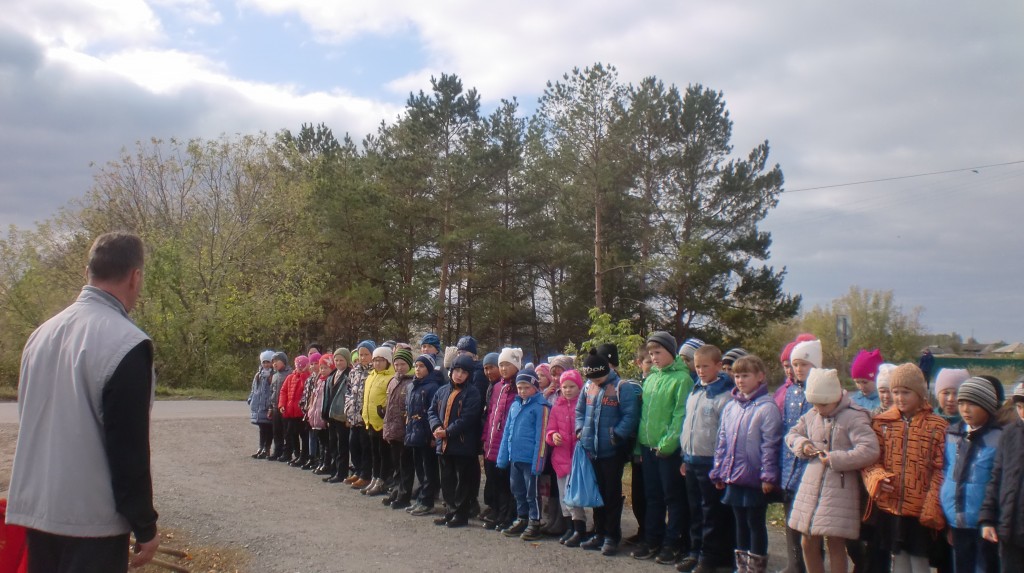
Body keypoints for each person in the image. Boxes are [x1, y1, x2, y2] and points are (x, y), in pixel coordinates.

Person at [7, 231, 160, 571]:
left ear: (87, 271)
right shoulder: (127, 343)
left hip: (38, 512)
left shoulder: (41, 335)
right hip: (91, 522)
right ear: (135, 277)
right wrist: (145, 524)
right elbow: (128, 447)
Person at [786, 368, 880, 573]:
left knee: (836, 542)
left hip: (840, 486)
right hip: (812, 485)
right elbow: (792, 434)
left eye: (823, 404)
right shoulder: (812, 415)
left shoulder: (854, 416)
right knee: (807, 540)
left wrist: (836, 458)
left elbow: (870, 450)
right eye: (815, 404)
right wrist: (803, 444)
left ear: (835, 398)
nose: (818, 409)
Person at [861, 363, 947, 573]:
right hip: (891, 506)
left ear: (920, 393)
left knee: (919, 561)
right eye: (896, 392)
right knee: (897, 558)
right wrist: (877, 478)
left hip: (921, 509)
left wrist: (932, 504)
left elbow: (941, 468)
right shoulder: (882, 423)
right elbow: (871, 460)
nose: (899, 398)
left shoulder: (937, 426)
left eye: (906, 392)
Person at [710, 354, 782, 573]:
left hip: (754, 477)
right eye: (737, 376)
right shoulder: (731, 407)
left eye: (746, 375)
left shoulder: (767, 407)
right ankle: (741, 566)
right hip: (734, 475)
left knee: (755, 523)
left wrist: (768, 476)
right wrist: (719, 471)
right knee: (739, 522)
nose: (740, 380)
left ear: (760, 376)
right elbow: (722, 441)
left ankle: (756, 567)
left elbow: (771, 445)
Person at [633, 331, 694, 564]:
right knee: (653, 496)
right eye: (651, 354)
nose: (654, 357)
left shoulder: (682, 379)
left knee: (673, 497)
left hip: (668, 450)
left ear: (670, 351)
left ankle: (672, 543)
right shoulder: (651, 378)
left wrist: (668, 444)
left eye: (658, 352)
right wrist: (640, 445)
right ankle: (652, 539)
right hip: (648, 447)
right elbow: (644, 415)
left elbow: (680, 415)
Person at [574, 347, 640, 556]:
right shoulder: (588, 387)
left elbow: (630, 415)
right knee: (597, 494)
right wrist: (580, 430)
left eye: (598, 377)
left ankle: (612, 535)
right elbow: (580, 411)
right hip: (591, 450)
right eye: (591, 378)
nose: (595, 381)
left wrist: (616, 436)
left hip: (612, 452)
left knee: (611, 494)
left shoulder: (622, 387)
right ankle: (599, 533)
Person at [678, 345, 736, 573]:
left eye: (705, 366)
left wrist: (720, 465)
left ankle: (709, 557)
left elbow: (724, 434)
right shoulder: (695, 391)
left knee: (711, 512)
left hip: (710, 462)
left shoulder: (724, 396)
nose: (701, 371)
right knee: (695, 510)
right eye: (698, 366)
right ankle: (694, 551)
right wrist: (684, 456)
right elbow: (688, 425)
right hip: (691, 459)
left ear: (718, 366)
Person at [940, 377, 1002, 573]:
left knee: (984, 567)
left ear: (988, 406)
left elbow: (999, 480)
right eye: (962, 403)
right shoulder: (952, 433)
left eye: (972, 404)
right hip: (956, 519)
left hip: (984, 522)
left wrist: (991, 517)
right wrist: (947, 516)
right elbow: (946, 470)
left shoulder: (999, 437)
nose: (965, 409)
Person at [780, 337, 821, 573]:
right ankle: (794, 565)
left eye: (803, 364)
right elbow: (787, 430)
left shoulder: (819, 392)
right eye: (795, 364)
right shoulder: (791, 393)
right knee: (791, 521)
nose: (798, 369)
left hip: (810, 466)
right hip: (789, 466)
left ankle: (812, 566)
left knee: (810, 527)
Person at [428, 354, 484, 528]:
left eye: (464, 372)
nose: (459, 375)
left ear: (469, 375)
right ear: (451, 371)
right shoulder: (442, 390)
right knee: (447, 480)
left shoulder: (472, 393)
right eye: (457, 371)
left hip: (462, 444)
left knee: (462, 482)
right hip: (443, 444)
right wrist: (436, 427)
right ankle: (450, 511)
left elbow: (467, 418)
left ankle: (461, 514)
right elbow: (432, 411)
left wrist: (448, 432)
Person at [497, 367, 551, 541]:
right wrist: (502, 457)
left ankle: (535, 521)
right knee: (517, 490)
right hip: (515, 458)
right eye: (519, 387)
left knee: (531, 493)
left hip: (530, 460)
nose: (522, 391)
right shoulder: (515, 405)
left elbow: (541, 437)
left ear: (535, 387)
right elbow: (507, 432)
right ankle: (522, 518)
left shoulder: (541, 407)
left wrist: (538, 462)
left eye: (526, 387)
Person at [979, 382, 1024, 572]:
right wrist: (988, 518)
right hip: (1010, 530)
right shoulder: (1010, 433)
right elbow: (996, 478)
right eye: (1019, 406)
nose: (1023, 412)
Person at [481, 347, 522, 531]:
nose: (504, 369)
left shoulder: (519, 387)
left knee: (507, 482)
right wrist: (485, 436)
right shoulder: (497, 387)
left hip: (507, 442)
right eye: (502, 365)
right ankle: (497, 512)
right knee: (495, 479)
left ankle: (508, 515)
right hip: (492, 441)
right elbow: (491, 414)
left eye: (507, 365)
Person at [546, 369, 586, 546]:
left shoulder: (583, 406)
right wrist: (553, 436)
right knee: (564, 496)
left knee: (574, 497)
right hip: (560, 458)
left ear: (579, 387)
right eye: (564, 387)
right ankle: (569, 527)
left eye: (572, 386)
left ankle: (579, 528)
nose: (568, 390)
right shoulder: (557, 407)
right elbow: (550, 429)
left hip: (577, 459)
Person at [405, 354, 443, 516]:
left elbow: (433, 412)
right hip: (414, 433)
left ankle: (428, 501)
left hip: (427, 435)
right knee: (419, 468)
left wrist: (433, 436)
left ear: (429, 368)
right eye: (416, 366)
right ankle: (421, 498)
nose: (418, 369)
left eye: (422, 366)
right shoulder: (412, 386)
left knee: (429, 469)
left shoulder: (433, 387)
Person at [625, 347, 653, 546]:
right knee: (638, 494)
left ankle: (651, 533)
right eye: (648, 361)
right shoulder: (634, 387)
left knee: (651, 494)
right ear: (639, 363)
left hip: (650, 446)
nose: (652, 365)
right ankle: (642, 529)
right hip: (635, 447)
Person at [382, 348, 416, 509]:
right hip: (392, 428)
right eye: (396, 364)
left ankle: (404, 495)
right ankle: (395, 490)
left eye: (403, 364)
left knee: (405, 464)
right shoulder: (393, 381)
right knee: (396, 463)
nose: (399, 367)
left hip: (405, 429)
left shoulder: (412, 382)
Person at [362, 346, 396, 496]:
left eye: (381, 360)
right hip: (370, 420)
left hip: (382, 422)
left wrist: (383, 410)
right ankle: (375, 477)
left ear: (388, 361)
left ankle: (382, 480)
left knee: (384, 453)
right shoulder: (371, 375)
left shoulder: (391, 378)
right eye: (375, 360)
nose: (377, 363)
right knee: (374, 452)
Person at [346, 341, 374, 488]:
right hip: (353, 415)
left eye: (366, 354)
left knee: (365, 446)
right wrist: (348, 410)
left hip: (366, 417)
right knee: (353, 444)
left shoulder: (373, 371)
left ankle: (366, 475)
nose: (363, 357)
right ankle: (357, 470)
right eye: (361, 354)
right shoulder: (354, 371)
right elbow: (348, 391)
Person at [322, 347, 351, 483]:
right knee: (333, 443)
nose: (338, 363)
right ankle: (334, 470)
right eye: (336, 360)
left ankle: (342, 472)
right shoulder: (332, 376)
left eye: (341, 360)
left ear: (347, 361)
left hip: (342, 415)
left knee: (342, 445)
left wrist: (348, 416)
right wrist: (325, 414)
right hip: (331, 415)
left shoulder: (349, 375)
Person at [279, 355, 312, 465]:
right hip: (290, 412)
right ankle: (296, 453)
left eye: (302, 366)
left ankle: (304, 455)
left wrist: (303, 373)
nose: (299, 368)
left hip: (301, 412)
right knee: (292, 433)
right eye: (298, 366)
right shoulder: (290, 377)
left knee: (304, 435)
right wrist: (282, 405)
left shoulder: (307, 377)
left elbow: (305, 387)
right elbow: (283, 391)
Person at [248, 350, 277, 459]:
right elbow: (254, 388)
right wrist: (251, 399)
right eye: (264, 362)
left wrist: (271, 404)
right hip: (259, 406)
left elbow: (274, 390)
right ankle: (261, 447)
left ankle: (267, 448)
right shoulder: (258, 375)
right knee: (262, 428)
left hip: (268, 406)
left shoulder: (273, 375)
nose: (266, 364)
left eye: (268, 362)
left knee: (268, 428)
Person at [267, 352, 291, 461]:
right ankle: (277, 451)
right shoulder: (274, 375)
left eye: (277, 361)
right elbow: (272, 392)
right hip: (275, 407)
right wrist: (271, 407)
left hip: (285, 408)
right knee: (276, 431)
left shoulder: (289, 374)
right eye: (273, 362)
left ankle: (287, 452)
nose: (275, 364)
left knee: (287, 432)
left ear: (284, 362)